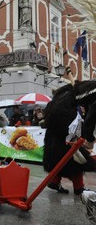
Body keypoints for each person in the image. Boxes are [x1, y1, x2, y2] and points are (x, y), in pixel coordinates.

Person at [43, 68, 96, 196]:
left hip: (55, 135)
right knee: (75, 157)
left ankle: (55, 182)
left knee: (59, 157)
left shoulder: (61, 96)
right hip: (66, 132)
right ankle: (78, 188)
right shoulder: (71, 99)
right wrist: (89, 138)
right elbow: (91, 117)